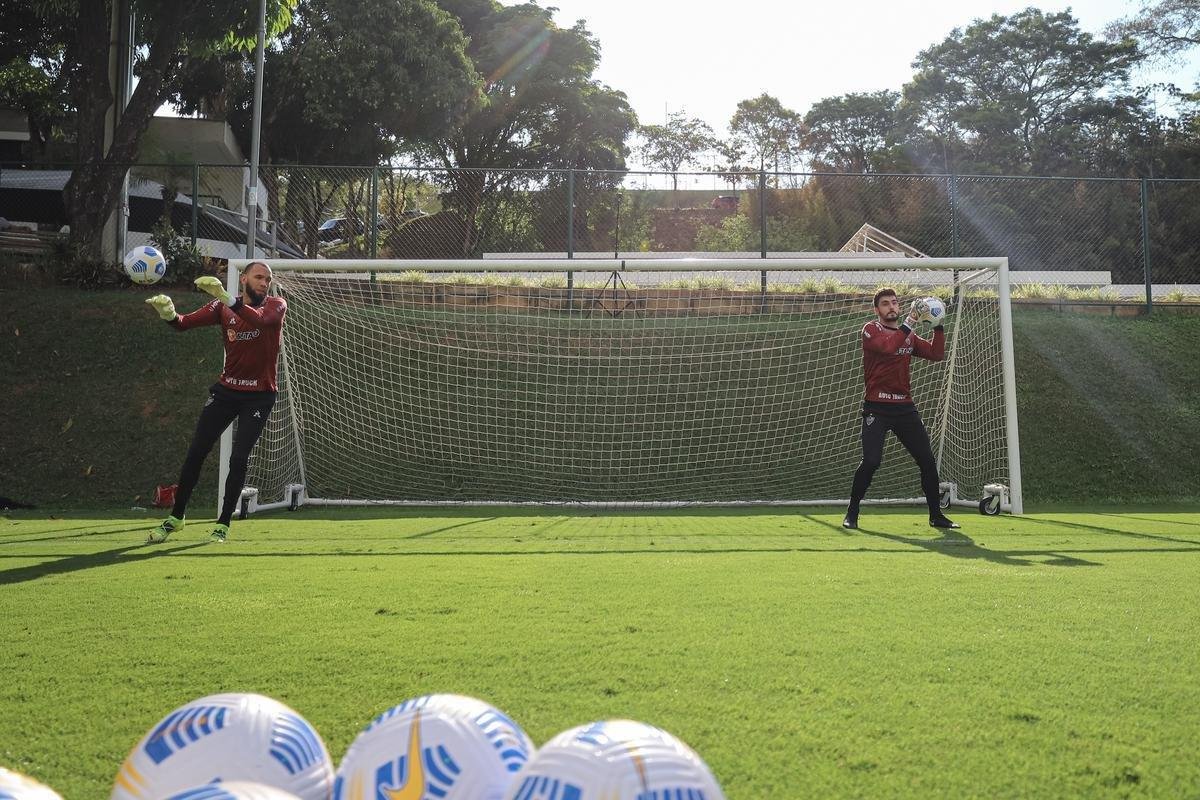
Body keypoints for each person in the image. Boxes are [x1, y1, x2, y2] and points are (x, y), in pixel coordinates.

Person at [143, 261, 286, 543]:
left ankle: (222, 524)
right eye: (258, 277)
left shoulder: (276, 305)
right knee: (196, 452)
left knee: (239, 458)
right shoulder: (222, 308)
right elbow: (184, 324)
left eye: (267, 279)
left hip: (259, 396)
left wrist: (225, 297)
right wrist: (169, 314)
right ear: (243, 278)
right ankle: (176, 517)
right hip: (226, 392)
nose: (263, 283)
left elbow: (260, 321)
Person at [843, 287, 959, 530]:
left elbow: (936, 354)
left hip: (905, 408)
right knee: (872, 461)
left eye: (895, 302)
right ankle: (852, 512)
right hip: (877, 408)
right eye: (885, 303)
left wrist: (938, 325)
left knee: (927, 461)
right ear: (877, 310)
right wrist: (911, 320)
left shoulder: (908, 335)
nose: (891, 307)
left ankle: (936, 516)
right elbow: (888, 347)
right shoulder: (870, 329)